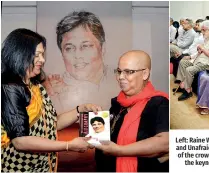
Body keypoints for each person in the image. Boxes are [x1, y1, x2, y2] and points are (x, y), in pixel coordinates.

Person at [1, 28, 102, 172]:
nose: (42, 60)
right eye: (37, 55)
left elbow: (52, 125)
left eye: (43, 54)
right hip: (17, 168)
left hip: (42, 167)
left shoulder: (35, 86)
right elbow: (20, 141)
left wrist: (81, 109)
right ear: (20, 54)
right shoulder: (9, 88)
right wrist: (68, 146)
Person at [94, 50, 169, 172]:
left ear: (145, 74)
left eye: (128, 72)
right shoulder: (117, 104)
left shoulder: (159, 103)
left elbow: (165, 142)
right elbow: (106, 138)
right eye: (119, 71)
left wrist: (119, 151)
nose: (121, 77)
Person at [44, 11, 120, 115]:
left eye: (86, 46)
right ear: (62, 54)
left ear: (102, 48)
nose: (77, 55)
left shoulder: (121, 80)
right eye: (69, 48)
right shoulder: (52, 90)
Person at [174, 20, 209, 101]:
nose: (202, 32)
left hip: (208, 63)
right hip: (199, 60)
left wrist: (202, 48)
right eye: (202, 30)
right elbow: (200, 52)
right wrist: (190, 57)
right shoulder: (207, 38)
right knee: (183, 62)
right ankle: (182, 85)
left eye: (204, 30)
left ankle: (188, 91)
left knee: (189, 70)